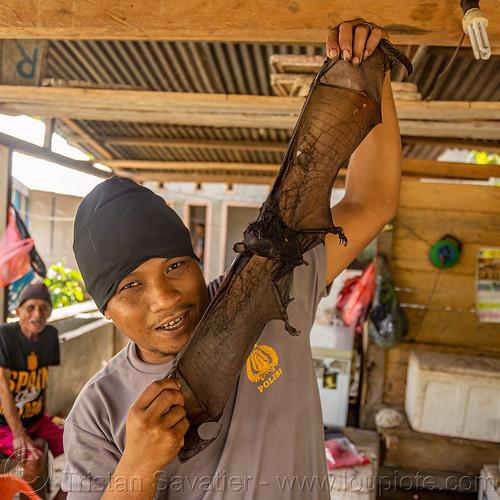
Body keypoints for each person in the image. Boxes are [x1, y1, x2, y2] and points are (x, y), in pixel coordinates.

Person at [62, 18, 402, 499]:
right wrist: (137, 466)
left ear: (197, 259)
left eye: (175, 266)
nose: (164, 298)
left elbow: (371, 203)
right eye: (130, 287)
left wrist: (367, 68)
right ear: (105, 308)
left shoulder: (267, 284)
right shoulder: (98, 412)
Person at [0, 283, 67, 500]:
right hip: (5, 424)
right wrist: (18, 432)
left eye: (43, 308)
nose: (37, 314)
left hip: (37, 419)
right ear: (18, 311)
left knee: (83, 443)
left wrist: (44, 417)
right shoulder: (5, 335)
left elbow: (42, 379)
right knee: (33, 459)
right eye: (30, 307)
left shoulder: (49, 335)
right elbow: (3, 387)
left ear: (49, 312)